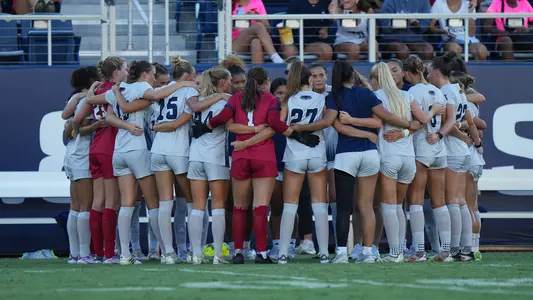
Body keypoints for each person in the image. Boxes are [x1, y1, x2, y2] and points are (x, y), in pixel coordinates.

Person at [194, 66, 320, 264]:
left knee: (238, 207)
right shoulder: (270, 99)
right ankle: (261, 252)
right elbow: (275, 124)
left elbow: (221, 119)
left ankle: (238, 252)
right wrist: (298, 136)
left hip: (240, 156)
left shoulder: (235, 98)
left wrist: (205, 127)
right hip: (264, 156)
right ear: (267, 81)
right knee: (260, 207)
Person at [93, 60, 197, 265]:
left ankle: (124, 254)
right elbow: (157, 95)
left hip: (119, 151)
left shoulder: (118, 89)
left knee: (127, 203)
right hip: (138, 149)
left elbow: (103, 110)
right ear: (144, 75)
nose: (153, 80)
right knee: (154, 204)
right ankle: (167, 251)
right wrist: (183, 84)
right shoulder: (141, 87)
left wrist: (123, 124)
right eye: (151, 75)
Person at [427, 54, 482, 262]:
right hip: (465, 152)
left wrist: (443, 133)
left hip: (451, 151)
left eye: (430, 71)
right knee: (461, 202)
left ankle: (453, 249)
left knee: (453, 201)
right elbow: (470, 120)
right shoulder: (458, 91)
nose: (428, 75)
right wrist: (475, 142)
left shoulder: (445, 92)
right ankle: (466, 249)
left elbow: (449, 121)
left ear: (437, 72)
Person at [72, 56, 127, 264]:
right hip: (110, 147)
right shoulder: (117, 90)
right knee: (111, 203)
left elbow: (76, 120)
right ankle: (109, 254)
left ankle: (96, 252)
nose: (127, 72)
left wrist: (86, 131)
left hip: (94, 147)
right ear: (116, 72)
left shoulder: (95, 90)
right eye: (125, 68)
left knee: (98, 202)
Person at [402, 56, 456, 262]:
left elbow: (414, 122)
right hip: (439, 148)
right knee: (439, 201)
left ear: (408, 73)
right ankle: (446, 250)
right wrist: (438, 134)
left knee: (415, 198)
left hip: (421, 147)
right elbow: (443, 120)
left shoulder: (412, 92)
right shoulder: (439, 92)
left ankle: (419, 250)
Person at [277, 61, 330, 264]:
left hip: (295, 154)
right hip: (317, 153)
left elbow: (280, 124)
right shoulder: (320, 98)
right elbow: (326, 121)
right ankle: (324, 252)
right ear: (309, 78)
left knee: (290, 205)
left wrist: (296, 130)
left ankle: (282, 253)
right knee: (319, 204)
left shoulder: (288, 100)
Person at [368, 62, 418, 263]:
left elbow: (376, 122)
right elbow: (422, 121)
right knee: (398, 206)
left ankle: (395, 252)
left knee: (389, 206)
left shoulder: (377, 96)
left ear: (377, 80)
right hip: (409, 157)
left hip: (389, 155)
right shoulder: (408, 96)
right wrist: (405, 132)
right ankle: (400, 250)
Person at [187, 66, 234, 265]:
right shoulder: (226, 100)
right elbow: (231, 126)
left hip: (195, 156)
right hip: (216, 157)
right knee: (218, 206)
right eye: (229, 80)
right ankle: (218, 255)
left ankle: (196, 254)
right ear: (222, 83)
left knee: (197, 206)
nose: (231, 84)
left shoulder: (197, 100)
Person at [62, 67, 101, 264]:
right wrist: (97, 125)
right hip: (82, 154)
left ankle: (75, 254)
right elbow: (78, 130)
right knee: (84, 206)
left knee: (76, 207)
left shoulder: (75, 97)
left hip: (71, 154)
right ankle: (84, 254)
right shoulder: (86, 99)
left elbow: (65, 119)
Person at [219, 55, 256, 259]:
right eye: (236, 83)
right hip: (224, 156)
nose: (240, 86)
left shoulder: (252, 101)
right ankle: (234, 245)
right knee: (230, 203)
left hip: (247, 153)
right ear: (227, 83)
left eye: (243, 82)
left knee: (247, 203)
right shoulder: (223, 101)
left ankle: (247, 245)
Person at [449, 71, 486, 261]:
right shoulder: (469, 99)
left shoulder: (463, 102)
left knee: (465, 204)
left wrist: (460, 125)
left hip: (467, 155)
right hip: (475, 157)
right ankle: (474, 246)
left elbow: (479, 124)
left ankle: (469, 248)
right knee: (472, 206)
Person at [268, 78, 299, 260]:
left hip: (294, 162)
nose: (282, 97)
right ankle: (278, 244)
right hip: (275, 163)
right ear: (273, 94)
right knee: (277, 207)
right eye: (279, 93)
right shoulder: (269, 112)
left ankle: (292, 243)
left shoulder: (296, 110)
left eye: (286, 94)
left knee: (291, 206)